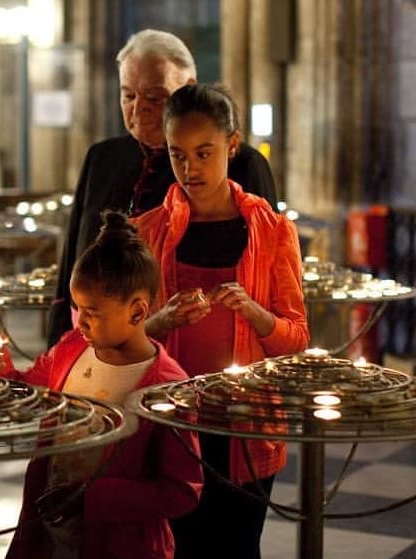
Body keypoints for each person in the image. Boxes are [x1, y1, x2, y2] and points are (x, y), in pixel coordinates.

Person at [132, 83, 308, 559]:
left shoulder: (272, 231)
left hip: (245, 427)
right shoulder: (147, 233)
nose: (190, 168)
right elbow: (116, 337)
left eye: (204, 153)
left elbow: (296, 339)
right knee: (176, 553)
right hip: (170, 423)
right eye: (178, 154)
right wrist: (162, 320)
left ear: (232, 146)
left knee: (237, 551)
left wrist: (255, 313)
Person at [0, 210, 203, 559]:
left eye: (92, 311)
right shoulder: (72, 348)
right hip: (50, 542)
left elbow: (181, 491)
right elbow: (28, 393)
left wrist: (91, 497)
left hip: (122, 550)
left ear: (137, 312)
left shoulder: (166, 388)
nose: (82, 323)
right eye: (78, 309)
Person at [47, 29, 277, 347]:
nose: (139, 108)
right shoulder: (102, 157)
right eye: (128, 96)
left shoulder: (239, 163)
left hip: (195, 346)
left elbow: (266, 272)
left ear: (189, 88)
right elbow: (73, 253)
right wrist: (58, 344)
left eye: (155, 98)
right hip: (93, 343)